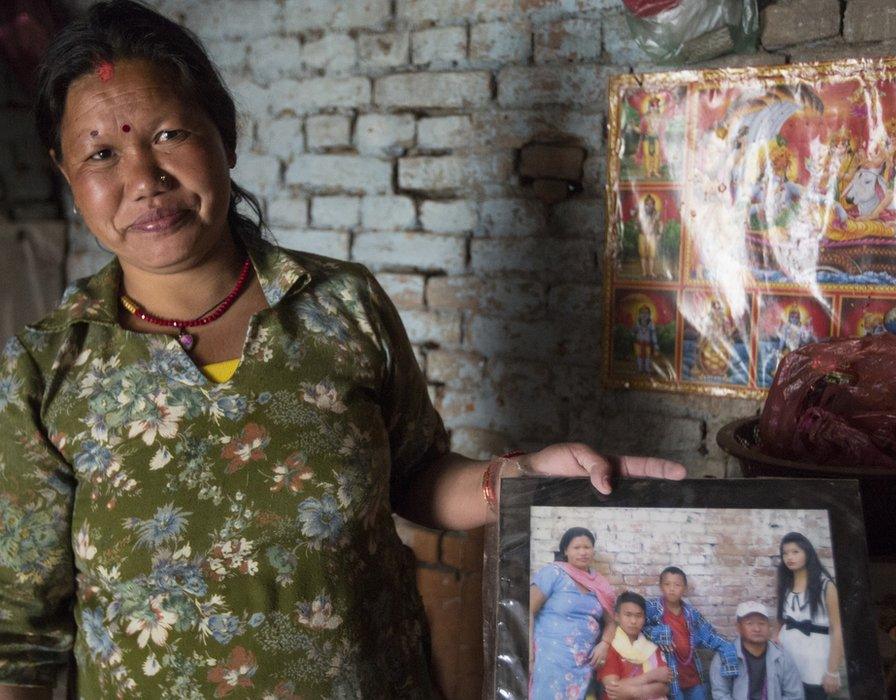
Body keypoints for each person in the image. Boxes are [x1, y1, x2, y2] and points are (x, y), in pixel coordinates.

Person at [0, 2, 686, 698]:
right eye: (102, 153)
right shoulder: (48, 371)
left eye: (171, 133)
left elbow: (414, 472)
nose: (145, 177)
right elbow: (17, 637)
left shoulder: (339, 306)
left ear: (225, 137)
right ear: (66, 173)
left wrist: (524, 474)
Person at [530, 528, 617, 700]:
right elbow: (528, 611)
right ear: (565, 551)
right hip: (549, 659)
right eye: (576, 548)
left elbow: (612, 621)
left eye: (587, 547)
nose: (583, 552)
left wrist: (604, 644)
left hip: (583, 664)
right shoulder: (553, 573)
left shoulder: (600, 584)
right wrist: (530, 656)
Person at [644, 566, 740, 700]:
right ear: (661, 586)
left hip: (693, 676)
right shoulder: (652, 608)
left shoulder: (691, 614)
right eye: (667, 584)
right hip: (670, 679)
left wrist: (728, 650)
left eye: (677, 585)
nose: (672, 589)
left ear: (684, 588)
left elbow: (710, 636)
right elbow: (639, 628)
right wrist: (658, 633)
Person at [775, 533, 844, 699]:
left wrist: (832, 671)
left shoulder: (826, 586)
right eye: (785, 553)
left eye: (795, 552)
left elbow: (837, 629)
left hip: (815, 662)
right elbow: (781, 619)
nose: (789, 557)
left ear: (807, 552)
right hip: (788, 657)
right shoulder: (785, 583)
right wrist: (775, 641)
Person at [710, 601, 804, 700]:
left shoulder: (781, 657)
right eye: (749, 623)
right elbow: (720, 694)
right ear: (738, 627)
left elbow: (794, 694)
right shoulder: (726, 657)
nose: (757, 629)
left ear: (769, 626)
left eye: (762, 623)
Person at [597, 591, 670, 700]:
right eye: (628, 615)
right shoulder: (610, 648)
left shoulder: (651, 646)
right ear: (617, 617)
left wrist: (631, 690)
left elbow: (664, 688)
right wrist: (650, 678)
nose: (633, 621)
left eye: (638, 616)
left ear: (644, 618)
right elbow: (613, 690)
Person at [632, 305, 659, 374]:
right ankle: (640, 368)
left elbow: (653, 335)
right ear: (639, 315)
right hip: (638, 343)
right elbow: (632, 333)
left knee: (647, 357)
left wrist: (655, 344)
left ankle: (647, 369)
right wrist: (634, 330)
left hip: (647, 343)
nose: (644, 315)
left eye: (646, 313)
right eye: (642, 313)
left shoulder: (651, 324)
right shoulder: (637, 324)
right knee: (639, 357)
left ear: (649, 315)